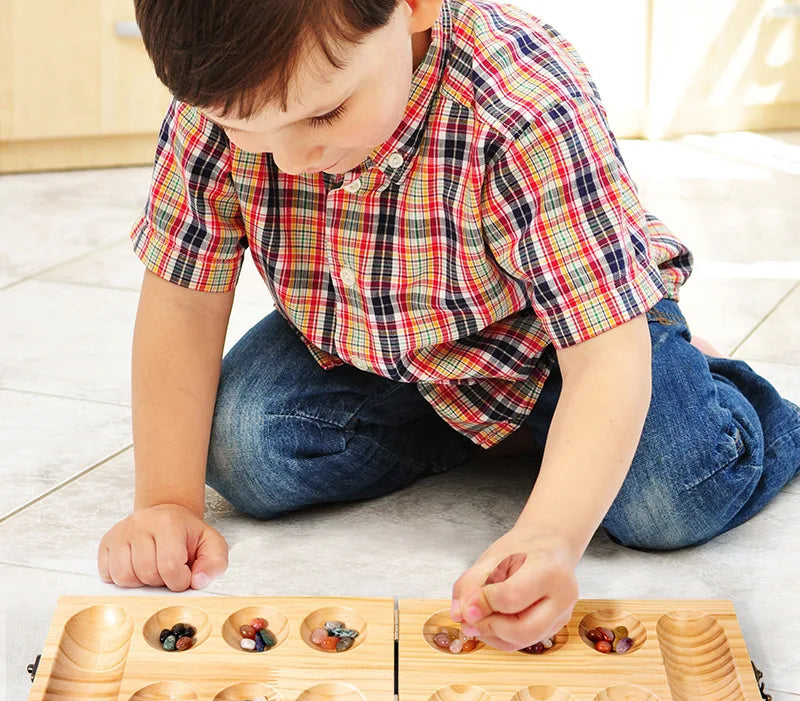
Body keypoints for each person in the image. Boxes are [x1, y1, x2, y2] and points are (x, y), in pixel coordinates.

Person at [97, 0, 800, 651]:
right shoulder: (230, 89)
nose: (286, 159)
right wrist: (165, 501)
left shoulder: (523, 99)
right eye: (241, 131)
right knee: (242, 449)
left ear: (412, 7)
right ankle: (492, 435)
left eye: (325, 114)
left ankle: (708, 380)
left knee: (672, 499)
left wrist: (550, 536)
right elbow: (183, 301)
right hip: (382, 351)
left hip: (566, 343)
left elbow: (601, 351)